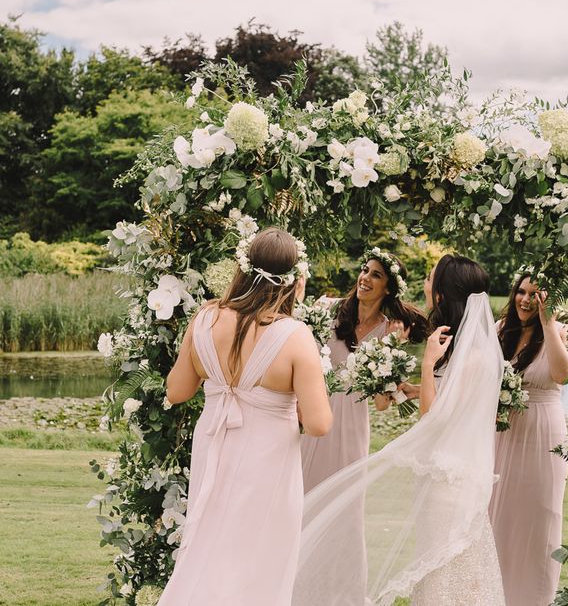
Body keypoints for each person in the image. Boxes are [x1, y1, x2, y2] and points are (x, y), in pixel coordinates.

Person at [292, 254, 505, 606]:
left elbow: (433, 416)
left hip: (447, 480)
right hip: (452, 475)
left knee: (444, 577)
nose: (426, 284)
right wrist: (415, 385)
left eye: (431, 279)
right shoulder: (465, 348)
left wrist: (425, 365)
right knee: (450, 576)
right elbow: (453, 398)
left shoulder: (463, 353)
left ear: (442, 294)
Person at [158, 227, 332, 606]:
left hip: (214, 447)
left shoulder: (205, 319)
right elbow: (319, 424)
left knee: (208, 549)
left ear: (243, 268)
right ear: (293, 280)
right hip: (268, 464)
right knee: (258, 562)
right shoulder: (295, 335)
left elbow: (177, 391)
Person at [300, 248, 426, 493]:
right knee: (303, 491)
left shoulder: (388, 331)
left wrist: (389, 348)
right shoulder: (327, 310)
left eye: (376, 275)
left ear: (388, 289)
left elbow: (381, 404)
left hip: (352, 426)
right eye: (365, 270)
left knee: (344, 499)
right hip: (314, 411)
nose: (365, 278)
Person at [489, 271, 568, 606]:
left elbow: (561, 374)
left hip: (543, 432)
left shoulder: (562, 331)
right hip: (503, 432)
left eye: (534, 295)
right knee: (499, 517)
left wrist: (547, 321)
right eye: (521, 292)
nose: (525, 300)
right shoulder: (499, 329)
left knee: (539, 517)